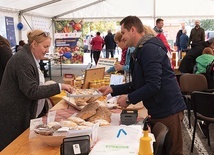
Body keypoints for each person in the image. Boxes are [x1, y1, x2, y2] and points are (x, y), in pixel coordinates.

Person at [99, 16, 186, 155]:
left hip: (168, 109)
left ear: (133, 30)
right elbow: (138, 84)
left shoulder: (149, 49)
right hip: (159, 108)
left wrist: (128, 99)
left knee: (173, 152)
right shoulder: (139, 51)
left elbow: (153, 85)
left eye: (123, 33)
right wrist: (113, 89)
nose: (123, 37)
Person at [0, 29, 73, 151]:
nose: (47, 50)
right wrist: (59, 87)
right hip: (14, 115)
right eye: (45, 46)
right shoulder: (23, 60)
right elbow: (32, 91)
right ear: (34, 44)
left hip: (20, 113)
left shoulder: (29, 57)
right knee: (13, 148)